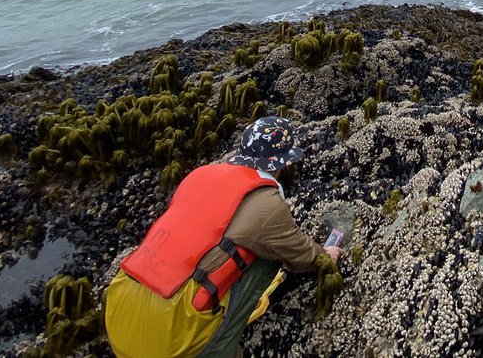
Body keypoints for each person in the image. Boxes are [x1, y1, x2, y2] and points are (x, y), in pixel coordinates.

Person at [105, 116, 341, 358]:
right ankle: (220, 348)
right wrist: (325, 256)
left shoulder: (200, 174)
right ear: (283, 161)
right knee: (269, 258)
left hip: (119, 309)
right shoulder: (266, 205)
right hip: (171, 335)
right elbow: (300, 255)